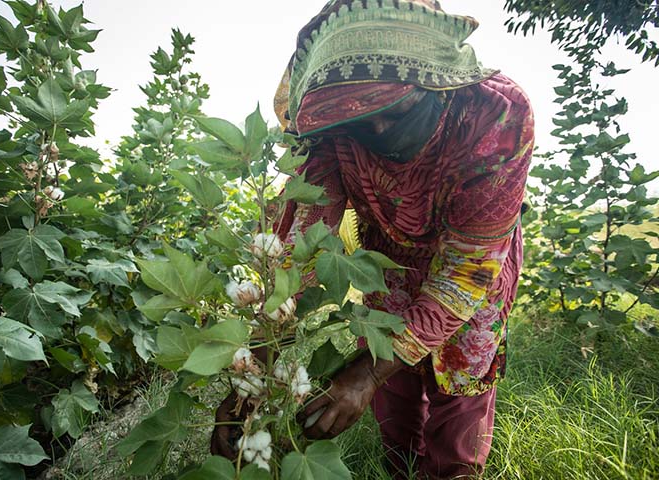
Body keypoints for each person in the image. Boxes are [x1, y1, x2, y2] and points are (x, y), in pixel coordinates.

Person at [213, 0, 534, 478]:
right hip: (387, 264)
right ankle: (399, 467)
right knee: (394, 391)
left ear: (437, 84)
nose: (379, 128)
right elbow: (300, 239)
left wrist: (365, 373)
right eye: (360, 119)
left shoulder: (494, 115)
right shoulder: (329, 131)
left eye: (397, 108)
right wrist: (253, 364)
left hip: (473, 269)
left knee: (458, 388)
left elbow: (467, 269)